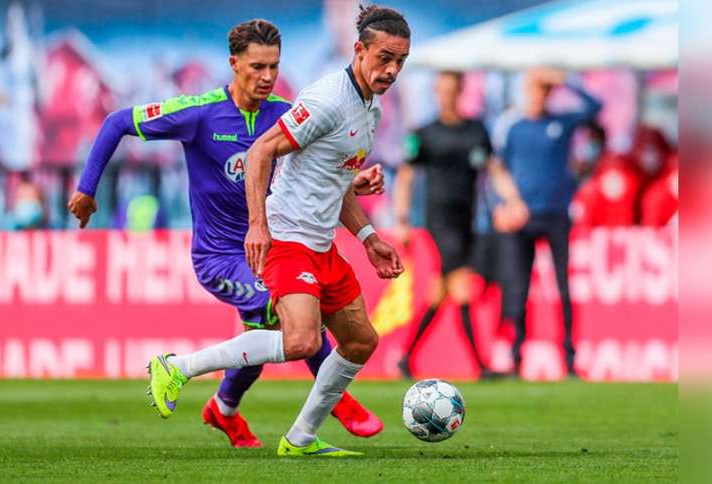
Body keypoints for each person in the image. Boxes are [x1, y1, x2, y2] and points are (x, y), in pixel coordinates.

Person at [68, 19, 386, 449]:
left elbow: (320, 175)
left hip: (275, 246)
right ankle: (336, 401)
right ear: (234, 64)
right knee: (284, 318)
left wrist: (353, 185)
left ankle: (225, 409)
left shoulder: (284, 114)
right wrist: (87, 190)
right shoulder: (200, 114)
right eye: (257, 67)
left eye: (274, 67)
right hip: (220, 255)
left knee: (268, 331)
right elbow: (116, 122)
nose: (268, 77)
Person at [144, 5, 409, 457]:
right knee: (302, 340)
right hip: (288, 239)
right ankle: (178, 367)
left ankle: (301, 438)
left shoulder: (370, 112)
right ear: (359, 49)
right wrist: (258, 227)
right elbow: (260, 153)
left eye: (400, 61)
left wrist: (368, 239)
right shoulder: (328, 100)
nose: (392, 69)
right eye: (384, 57)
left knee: (362, 340)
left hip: (321, 244)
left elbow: (334, 181)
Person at [393, 71, 525, 379]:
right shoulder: (424, 133)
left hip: (467, 220)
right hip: (439, 221)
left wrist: (513, 199)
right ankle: (479, 365)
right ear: (436, 92)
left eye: (452, 90)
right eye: (442, 90)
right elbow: (406, 176)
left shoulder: (476, 130)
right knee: (463, 286)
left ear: (461, 91)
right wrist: (401, 219)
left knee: (440, 291)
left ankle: (406, 358)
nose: (447, 96)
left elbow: (494, 169)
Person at [496, 68, 602, 378]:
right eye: (536, 88)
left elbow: (596, 108)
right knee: (519, 289)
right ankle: (516, 358)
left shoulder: (562, 122)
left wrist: (565, 81)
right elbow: (497, 171)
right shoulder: (514, 128)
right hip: (523, 216)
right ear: (527, 90)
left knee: (563, 288)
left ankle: (569, 357)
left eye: (546, 89)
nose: (541, 94)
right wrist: (503, 206)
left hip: (556, 214)